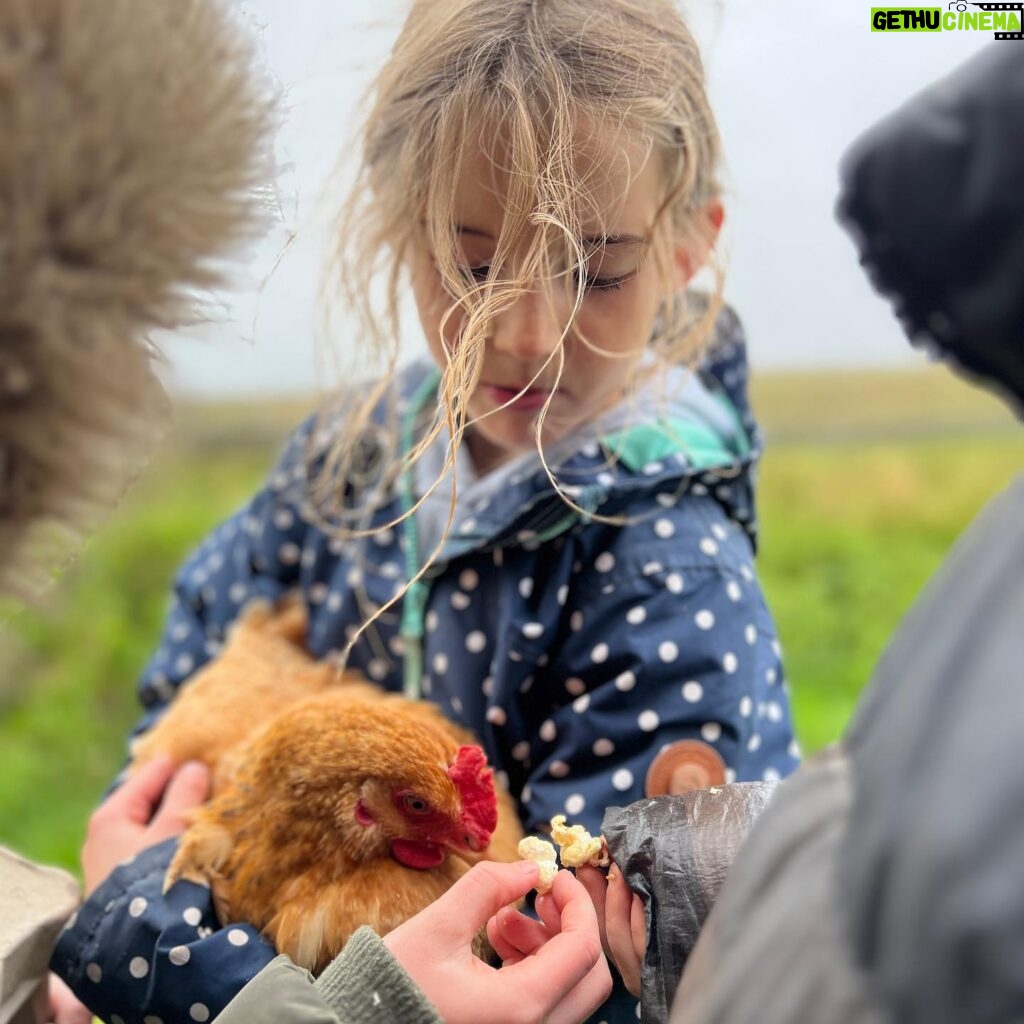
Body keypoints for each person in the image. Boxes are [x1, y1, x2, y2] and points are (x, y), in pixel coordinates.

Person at [51, 1, 799, 1020]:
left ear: (686, 247)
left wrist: (151, 939)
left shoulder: (668, 575)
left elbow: (593, 978)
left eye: (595, 270)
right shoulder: (339, 466)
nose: (526, 333)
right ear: (401, 223)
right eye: (474, 264)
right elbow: (180, 745)